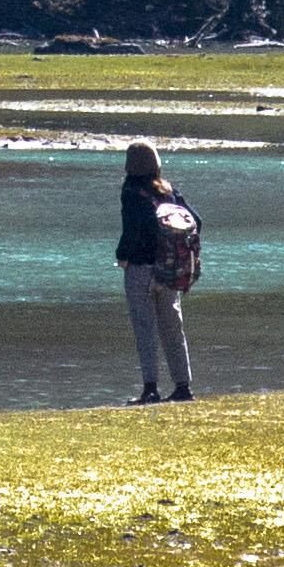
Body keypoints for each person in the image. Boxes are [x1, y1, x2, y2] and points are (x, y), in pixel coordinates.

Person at [111, 142, 205, 403]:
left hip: (140, 269)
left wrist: (122, 256)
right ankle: (183, 387)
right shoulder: (169, 191)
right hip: (170, 270)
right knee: (173, 329)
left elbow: (132, 229)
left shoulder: (131, 191)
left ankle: (150, 388)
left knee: (145, 329)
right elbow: (196, 221)